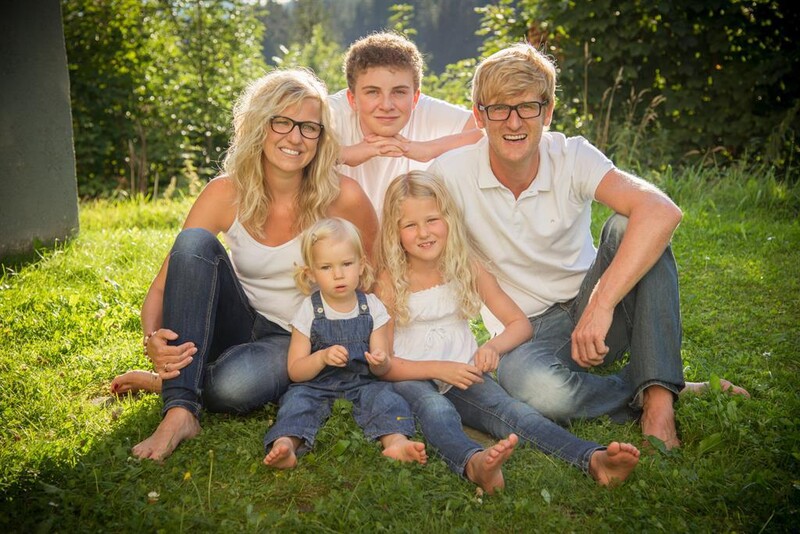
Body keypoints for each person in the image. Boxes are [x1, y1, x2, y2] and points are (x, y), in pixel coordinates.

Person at [427, 43, 748, 451]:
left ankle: (659, 403)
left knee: (632, 224)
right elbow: (408, 231)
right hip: (525, 329)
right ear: (479, 114)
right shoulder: (450, 173)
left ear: (548, 111)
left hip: (597, 310)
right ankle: (658, 382)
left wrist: (601, 303)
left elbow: (661, 210)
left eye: (528, 107)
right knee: (534, 388)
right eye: (500, 108)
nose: (514, 121)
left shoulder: (571, 154)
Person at [114, 68, 379, 461]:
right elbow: (164, 284)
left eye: (309, 127)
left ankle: (172, 383)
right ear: (259, 125)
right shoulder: (225, 192)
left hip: (298, 338)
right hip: (237, 320)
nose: (295, 137)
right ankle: (180, 410)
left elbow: (376, 275)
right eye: (282, 122)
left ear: (321, 138)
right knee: (193, 242)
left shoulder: (344, 196)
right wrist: (152, 338)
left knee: (232, 388)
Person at [373, 171, 640, 494]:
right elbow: (384, 365)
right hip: (410, 377)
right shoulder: (389, 281)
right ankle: (473, 463)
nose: (424, 232)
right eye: (410, 225)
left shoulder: (465, 266)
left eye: (432, 219)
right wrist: (439, 369)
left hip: (463, 370)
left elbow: (519, 325)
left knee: (513, 411)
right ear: (395, 232)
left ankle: (593, 459)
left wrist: (493, 348)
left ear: (449, 219)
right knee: (437, 410)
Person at [263, 217, 427, 468]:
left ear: (361, 265)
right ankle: (286, 443)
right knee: (297, 403)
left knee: (386, 399)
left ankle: (396, 441)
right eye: (326, 267)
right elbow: (295, 371)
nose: (338, 275)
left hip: (363, 383)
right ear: (311, 273)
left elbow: (382, 365)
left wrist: (380, 361)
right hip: (316, 386)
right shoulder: (309, 310)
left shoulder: (371, 306)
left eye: (347, 264)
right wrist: (321, 357)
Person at [328, 31, 483, 214]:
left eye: (399, 92)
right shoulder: (331, 112)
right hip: (339, 229)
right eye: (372, 92)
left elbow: (490, 132)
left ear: (415, 97)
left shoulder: (426, 111)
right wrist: (344, 154)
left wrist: (427, 150)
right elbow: (297, 148)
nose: (386, 105)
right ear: (352, 99)